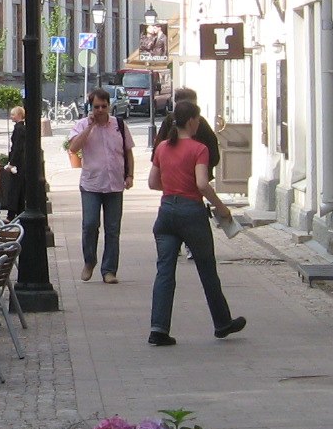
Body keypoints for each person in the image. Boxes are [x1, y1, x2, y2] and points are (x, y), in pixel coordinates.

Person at [145, 99, 246, 347]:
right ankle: (222, 323)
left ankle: (158, 328)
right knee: (207, 269)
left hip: (166, 211)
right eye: (198, 119)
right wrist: (221, 207)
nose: (199, 123)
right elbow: (202, 184)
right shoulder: (199, 149)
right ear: (191, 121)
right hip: (191, 213)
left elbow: (152, 183)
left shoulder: (162, 148)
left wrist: (172, 186)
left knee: (165, 271)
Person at [65, 88, 134, 284]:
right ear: (90, 106)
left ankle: (109, 270)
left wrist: (129, 175)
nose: (101, 110)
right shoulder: (82, 125)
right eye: (97, 107)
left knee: (112, 229)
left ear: (109, 106)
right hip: (91, 184)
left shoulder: (119, 125)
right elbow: (73, 148)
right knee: (90, 225)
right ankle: (89, 261)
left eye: (104, 106)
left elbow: (128, 151)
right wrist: (90, 127)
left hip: (114, 185)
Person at [0, 106, 39, 218]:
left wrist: (11, 162)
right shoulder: (23, 128)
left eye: (13, 114)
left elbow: (17, 147)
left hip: (18, 163)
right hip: (22, 162)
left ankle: (11, 214)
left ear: (19, 115)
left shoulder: (19, 129)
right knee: (20, 188)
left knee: (14, 188)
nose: (11, 116)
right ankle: (20, 211)